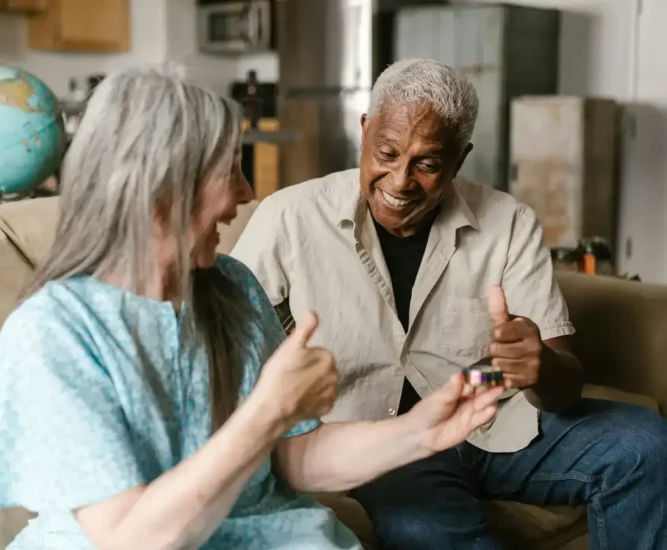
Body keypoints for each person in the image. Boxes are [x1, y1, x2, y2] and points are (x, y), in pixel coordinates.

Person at [0, 67, 504, 550]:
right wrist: (267, 409)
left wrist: (420, 432)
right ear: (164, 188)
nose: (246, 194)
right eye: (230, 171)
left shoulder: (232, 285)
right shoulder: (55, 332)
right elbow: (131, 538)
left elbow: (295, 458)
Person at [231, 58, 667, 550]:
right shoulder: (289, 218)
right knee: (427, 528)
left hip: (496, 422)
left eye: (428, 163)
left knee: (646, 444)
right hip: (384, 445)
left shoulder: (508, 223)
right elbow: (221, 339)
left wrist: (539, 365)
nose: (399, 182)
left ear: (460, 159)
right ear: (363, 131)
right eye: (387, 153)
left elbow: (562, 384)